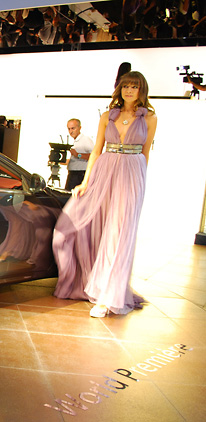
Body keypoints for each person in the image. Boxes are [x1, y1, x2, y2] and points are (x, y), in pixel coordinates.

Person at [52, 71, 157, 318]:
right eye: (125, 86)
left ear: (142, 90)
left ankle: (108, 296)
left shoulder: (149, 118)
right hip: (104, 173)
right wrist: (85, 183)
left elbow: (145, 153)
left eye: (134, 86)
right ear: (119, 89)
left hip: (131, 175)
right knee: (83, 225)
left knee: (119, 234)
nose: (129, 90)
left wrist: (140, 183)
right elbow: (96, 151)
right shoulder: (107, 116)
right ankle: (94, 283)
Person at [64, 118, 94, 190]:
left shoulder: (85, 139)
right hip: (73, 174)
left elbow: (93, 156)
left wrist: (78, 154)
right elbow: (76, 160)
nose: (71, 131)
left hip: (79, 175)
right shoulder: (76, 141)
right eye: (69, 129)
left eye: (73, 128)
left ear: (80, 128)